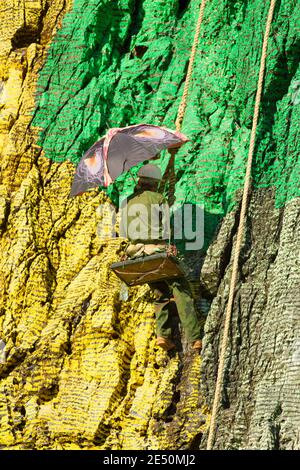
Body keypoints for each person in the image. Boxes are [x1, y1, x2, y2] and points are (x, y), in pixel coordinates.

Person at [120, 163, 202, 352]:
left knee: (160, 294)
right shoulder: (158, 198)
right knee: (181, 290)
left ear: (139, 181)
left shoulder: (126, 203)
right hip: (157, 252)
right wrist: (168, 246)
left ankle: (163, 336)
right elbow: (166, 229)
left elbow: (124, 232)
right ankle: (195, 337)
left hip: (138, 256)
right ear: (154, 184)